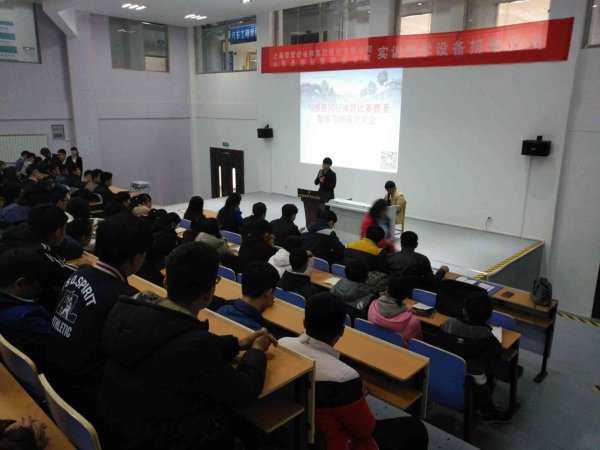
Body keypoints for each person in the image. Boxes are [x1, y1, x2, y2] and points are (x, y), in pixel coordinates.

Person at [96, 242, 273, 449]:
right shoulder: (195, 346)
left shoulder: (125, 310)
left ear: (165, 282)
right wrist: (257, 351)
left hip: (116, 432)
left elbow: (168, 337)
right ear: (209, 294)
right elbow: (242, 393)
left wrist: (236, 344)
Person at [279, 293, 429, 450]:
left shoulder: (282, 344)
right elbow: (365, 429)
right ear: (342, 331)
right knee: (416, 429)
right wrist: (357, 397)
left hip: (298, 435)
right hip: (334, 442)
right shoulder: (344, 378)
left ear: (304, 322)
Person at [45, 214, 152, 421]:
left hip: (54, 382)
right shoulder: (125, 299)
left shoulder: (77, 274)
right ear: (136, 258)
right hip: (85, 398)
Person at [437, 292, 511, 423]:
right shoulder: (488, 338)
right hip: (474, 375)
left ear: (464, 310)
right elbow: (492, 364)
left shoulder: (447, 324)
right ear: (488, 316)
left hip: (447, 368)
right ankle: (488, 412)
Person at [0, 204, 75, 312]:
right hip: (24, 308)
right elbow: (70, 273)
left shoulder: (15, 233)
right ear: (58, 232)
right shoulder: (38, 256)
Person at [0, 249, 52, 371]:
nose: (39, 289)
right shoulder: (28, 320)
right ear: (20, 284)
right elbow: (59, 344)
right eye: (37, 285)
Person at [218, 261, 280, 331]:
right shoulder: (258, 332)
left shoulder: (221, 310)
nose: (274, 297)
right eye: (273, 293)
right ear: (268, 293)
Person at [382, 231, 449, 292]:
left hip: (392, 291)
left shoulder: (389, 257)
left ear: (401, 243)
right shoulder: (422, 259)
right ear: (416, 245)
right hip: (412, 293)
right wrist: (442, 271)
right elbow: (432, 281)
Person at [368, 276, 422, 344]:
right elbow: (417, 344)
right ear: (406, 295)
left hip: (374, 344)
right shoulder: (413, 321)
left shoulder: (373, 306)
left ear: (386, 290)